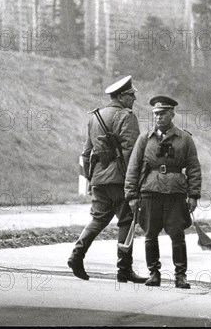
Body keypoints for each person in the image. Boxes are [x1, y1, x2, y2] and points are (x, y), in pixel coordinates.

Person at [67, 75, 147, 283]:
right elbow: (132, 152)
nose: (134, 99)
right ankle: (124, 270)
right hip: (121, 180)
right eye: (131, 95)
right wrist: (136, 181)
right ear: (121, 97)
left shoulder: (96, 117)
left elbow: (86, 153)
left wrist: (91, 179)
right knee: (126, 221)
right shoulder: (126, 116)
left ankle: (77, 255)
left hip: (99, 179)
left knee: (98, 219)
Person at [125, 96, 202, 289]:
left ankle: (180, 275)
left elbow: (193, 168)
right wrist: (132, 195)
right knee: (150, 234)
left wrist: (193, 195)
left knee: (177, 235)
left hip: (175, 193)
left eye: (163, 114)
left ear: (172, 115)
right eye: (156, 114)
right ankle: (154, 273)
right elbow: (133, 168)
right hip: (150, 192)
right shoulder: (144, 139)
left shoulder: (185, 139)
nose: (159, 117)